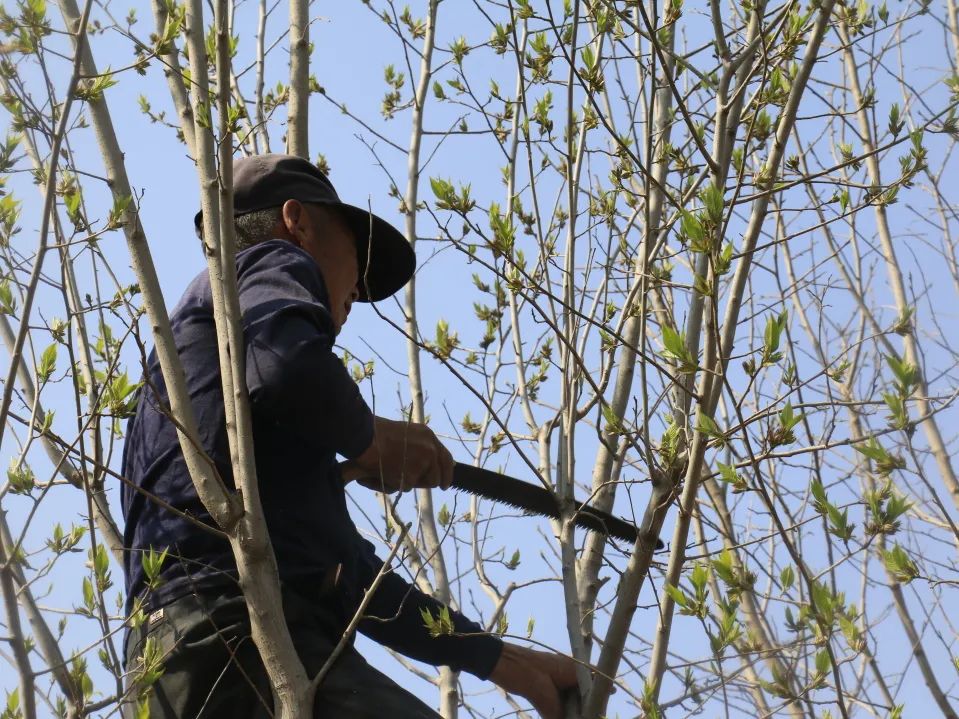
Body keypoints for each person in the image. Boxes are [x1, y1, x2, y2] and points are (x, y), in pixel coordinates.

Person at [120, 154, 579, 718]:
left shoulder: (235, 391)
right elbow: (284, 366)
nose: (358, 291)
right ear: (298, 222)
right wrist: (369, 438)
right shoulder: (269, 262)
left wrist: (511, 666)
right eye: (356, 261)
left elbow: (348, 578)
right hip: (231, 637)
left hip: (181, 663)